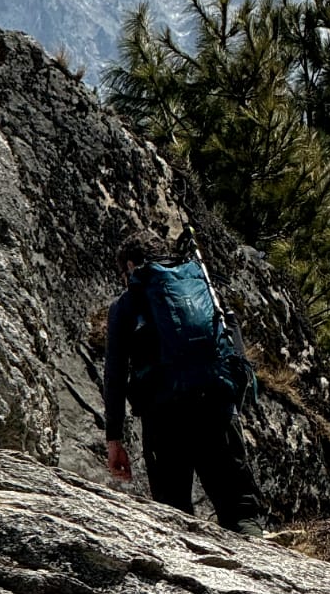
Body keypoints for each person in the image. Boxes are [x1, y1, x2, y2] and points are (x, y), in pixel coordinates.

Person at [104, 228, 266, 535]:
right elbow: (232, 339)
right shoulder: (202, 286)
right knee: (241, 513)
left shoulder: (126, 304)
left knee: (173, 518)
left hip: (164, 419)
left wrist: (114, 439)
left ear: (129, 267)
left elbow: (114, 373)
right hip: (217, 407)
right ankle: (260, 571)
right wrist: (233, 404)